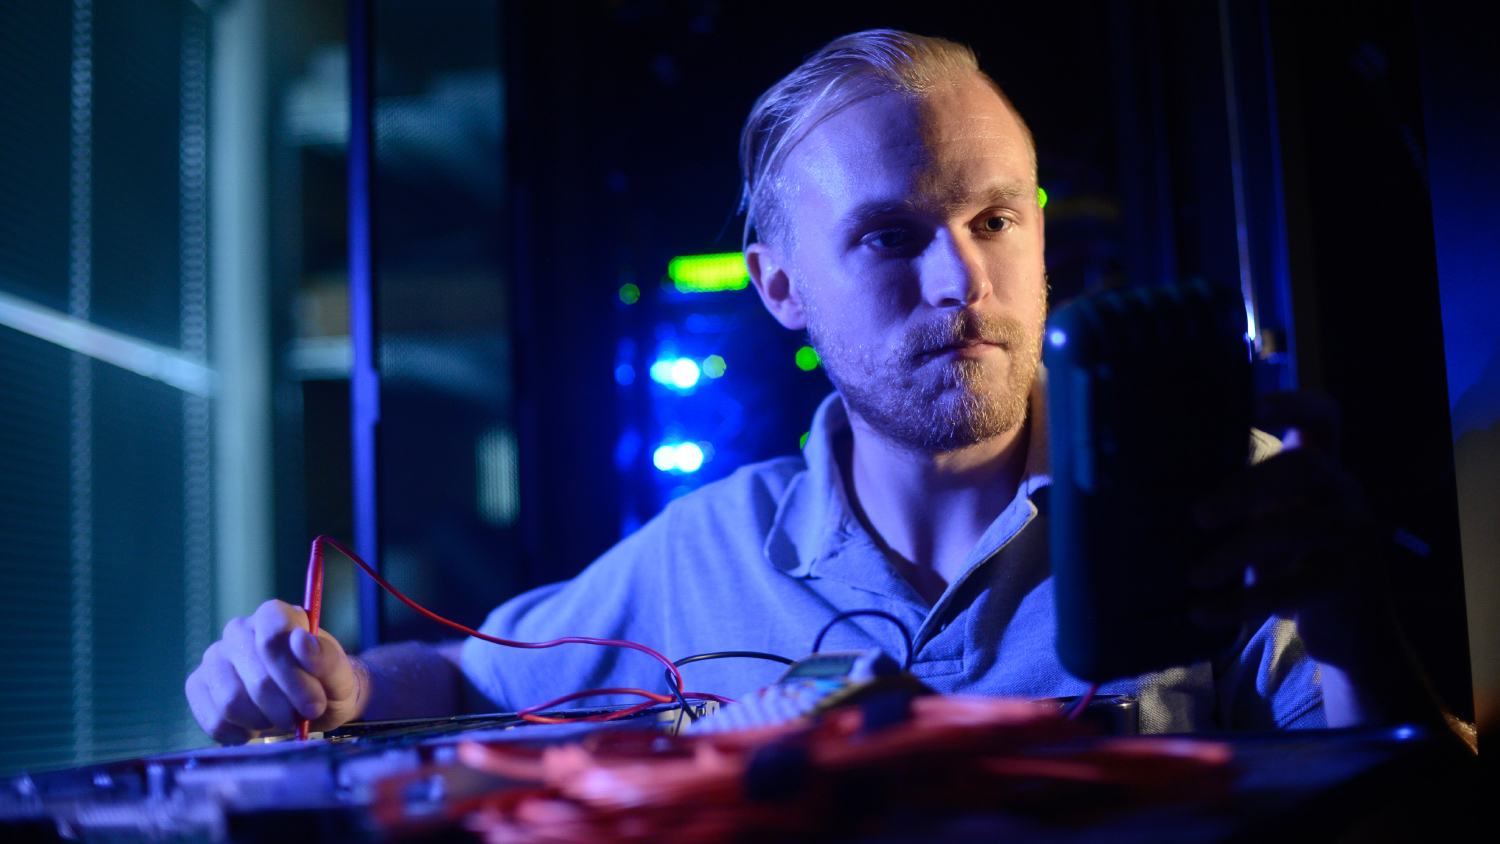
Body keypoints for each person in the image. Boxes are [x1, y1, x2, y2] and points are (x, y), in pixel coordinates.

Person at [186, 30, 1449, 745]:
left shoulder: (1227, 509)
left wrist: (1354, 627)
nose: (963, 282)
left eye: (996, 220)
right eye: (892, 238)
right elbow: (468, 684)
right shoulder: (705, 552)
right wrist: (333, 686)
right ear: (780, 285)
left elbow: (1428, 806)